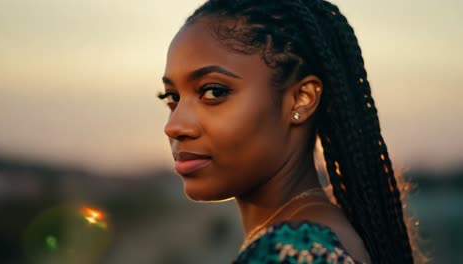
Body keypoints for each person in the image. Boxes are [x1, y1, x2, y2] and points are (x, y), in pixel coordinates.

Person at [158, 0, 417, 263]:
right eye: (172, 97)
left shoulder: (291, 252)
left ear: (301, 99)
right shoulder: (319, 238)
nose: (175, 126)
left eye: (214, 91)